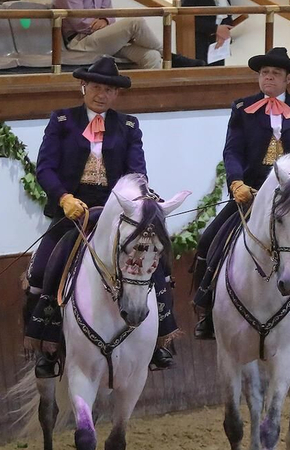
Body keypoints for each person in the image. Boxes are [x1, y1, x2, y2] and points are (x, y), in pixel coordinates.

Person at [26, 58, 178, 375]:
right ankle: (45, 343)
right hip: (74, 211)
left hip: (117, 212)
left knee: (157, 264)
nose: (101, 94)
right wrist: (64, 198)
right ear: (84, 87)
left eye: (108, 90)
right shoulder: (62, 120)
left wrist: (135, 200)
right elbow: (45, 168)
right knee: (42, 269)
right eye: (96, 87)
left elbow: (136, 172)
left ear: (116, 94)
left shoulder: (128, 127)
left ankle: (160, 339)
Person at [188, 47, 290, 345]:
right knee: (209, 240)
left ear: (288, 79)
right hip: (251, 194)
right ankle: (207, 309)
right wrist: (236, 182)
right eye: (264, 73)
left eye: (275, 74)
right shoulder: (242, 108)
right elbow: (232, 151)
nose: (268, 78)